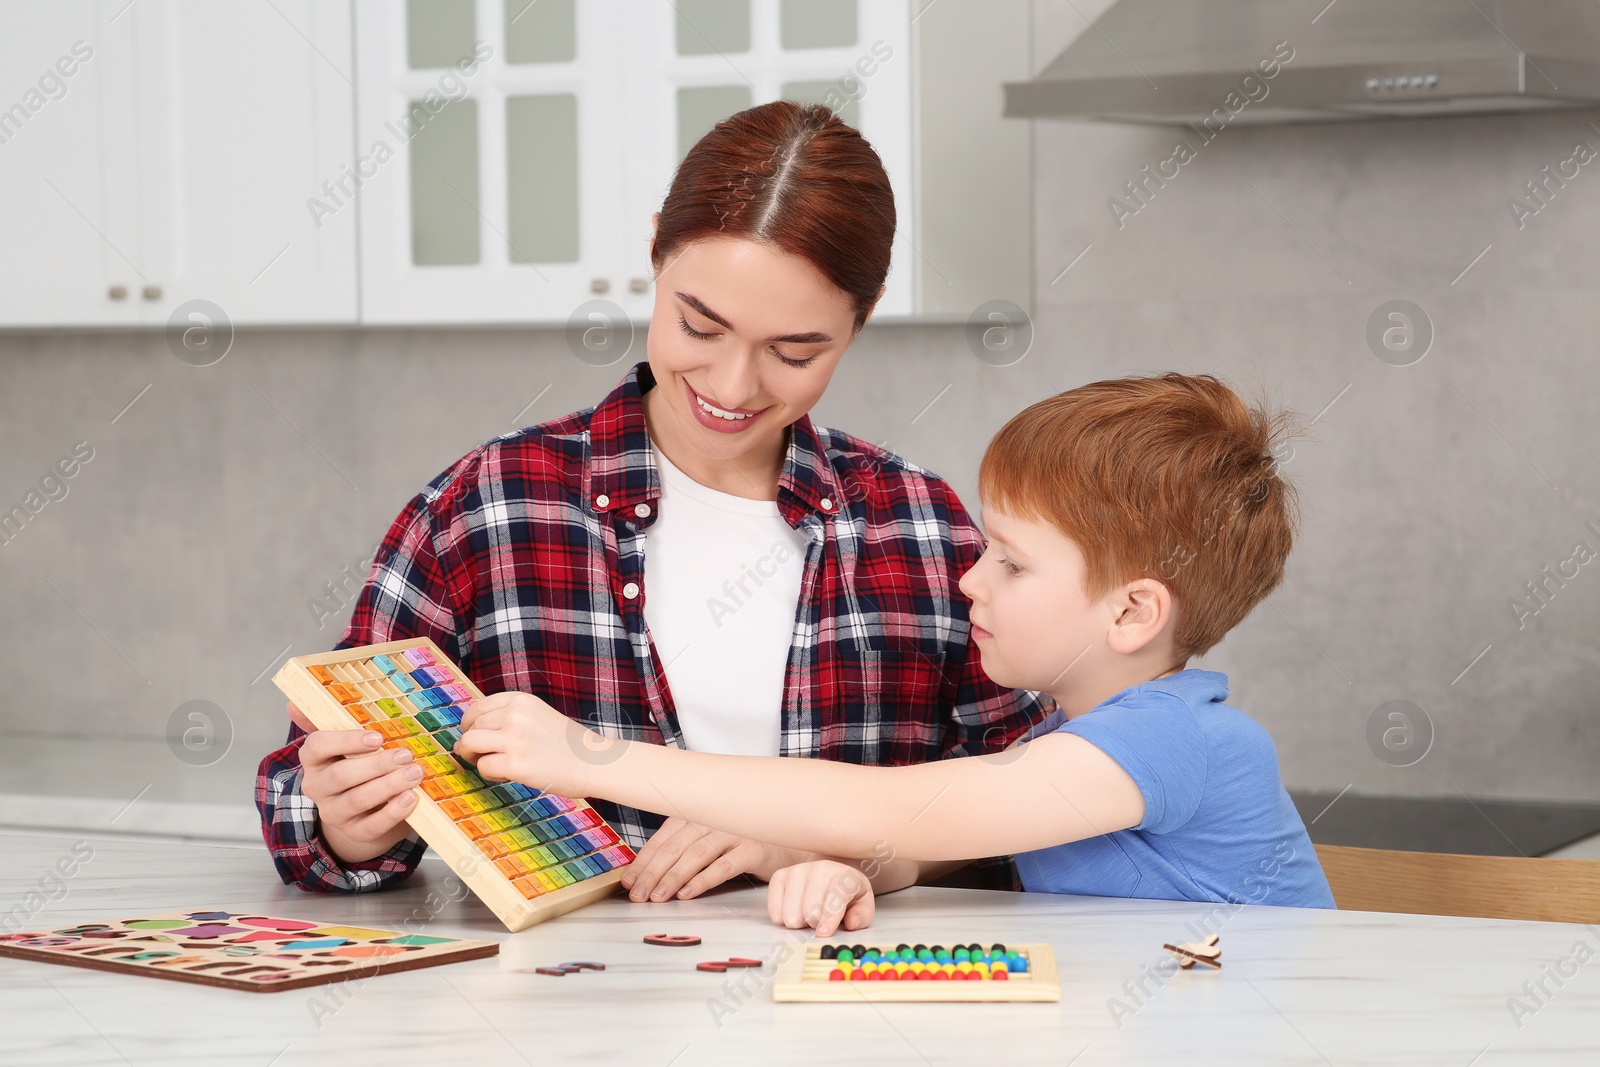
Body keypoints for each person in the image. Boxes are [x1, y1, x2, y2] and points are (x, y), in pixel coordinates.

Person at [255, 100, 1055, 901]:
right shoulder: (486, 509)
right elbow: (305, 796)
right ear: (655, 256)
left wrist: (831, 843)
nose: (733, 386)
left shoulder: (918, 524)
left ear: (862, 316)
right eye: (699, 326)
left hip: (840, 995)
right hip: (573, 1007)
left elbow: (1031, 799)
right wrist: (348, 822)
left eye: (794, 350)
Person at [453, 373, 1337, 936]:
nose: (970, 581)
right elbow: (924, 837)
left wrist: (586, 756)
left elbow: (909, 804)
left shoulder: (1175, 741)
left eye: (1012, 561)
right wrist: (822, 856)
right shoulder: (1077, 743)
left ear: (1134, 612)